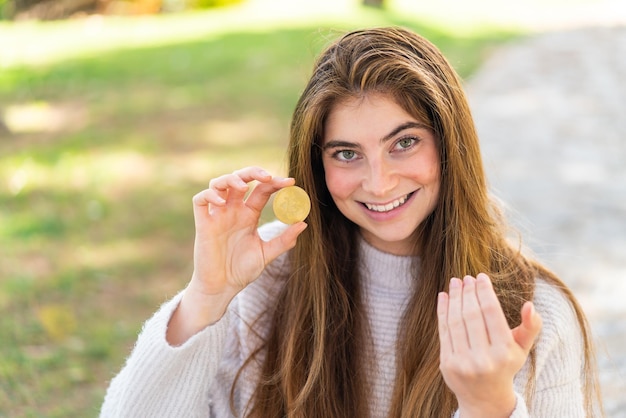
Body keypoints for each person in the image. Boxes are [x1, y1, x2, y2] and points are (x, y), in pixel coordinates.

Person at [100, 27, 603, 418]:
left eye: (404, 142)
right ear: (317, 167)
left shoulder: (538, 315)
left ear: (450, 146)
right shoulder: (264, 283)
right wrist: (207, 296)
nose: (379, 184)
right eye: (347, 153)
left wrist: (488, 406)